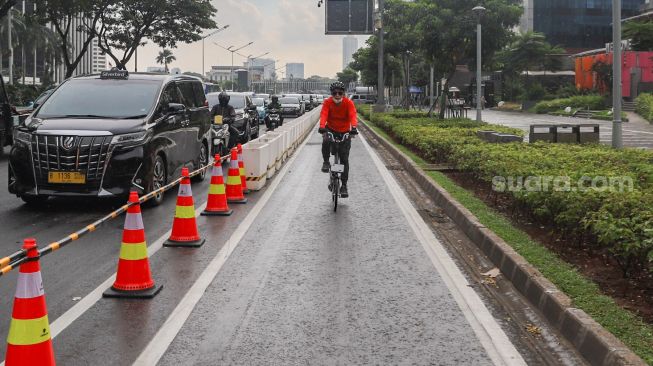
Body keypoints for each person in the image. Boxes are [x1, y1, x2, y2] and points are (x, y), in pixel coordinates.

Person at [318, 81, 358, 198]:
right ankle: (326, 162)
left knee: (344, 159)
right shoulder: (327, 102)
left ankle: (344, 186)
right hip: (331, 129)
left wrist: (354, 128)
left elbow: (352, 115)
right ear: (331, 93)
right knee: (325, 140)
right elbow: (324, 114)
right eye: (334, 93)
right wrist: (322, 126)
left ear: (343, 93)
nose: (337, 95)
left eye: (340, 93)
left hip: (345, 131)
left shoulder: (348, 103)